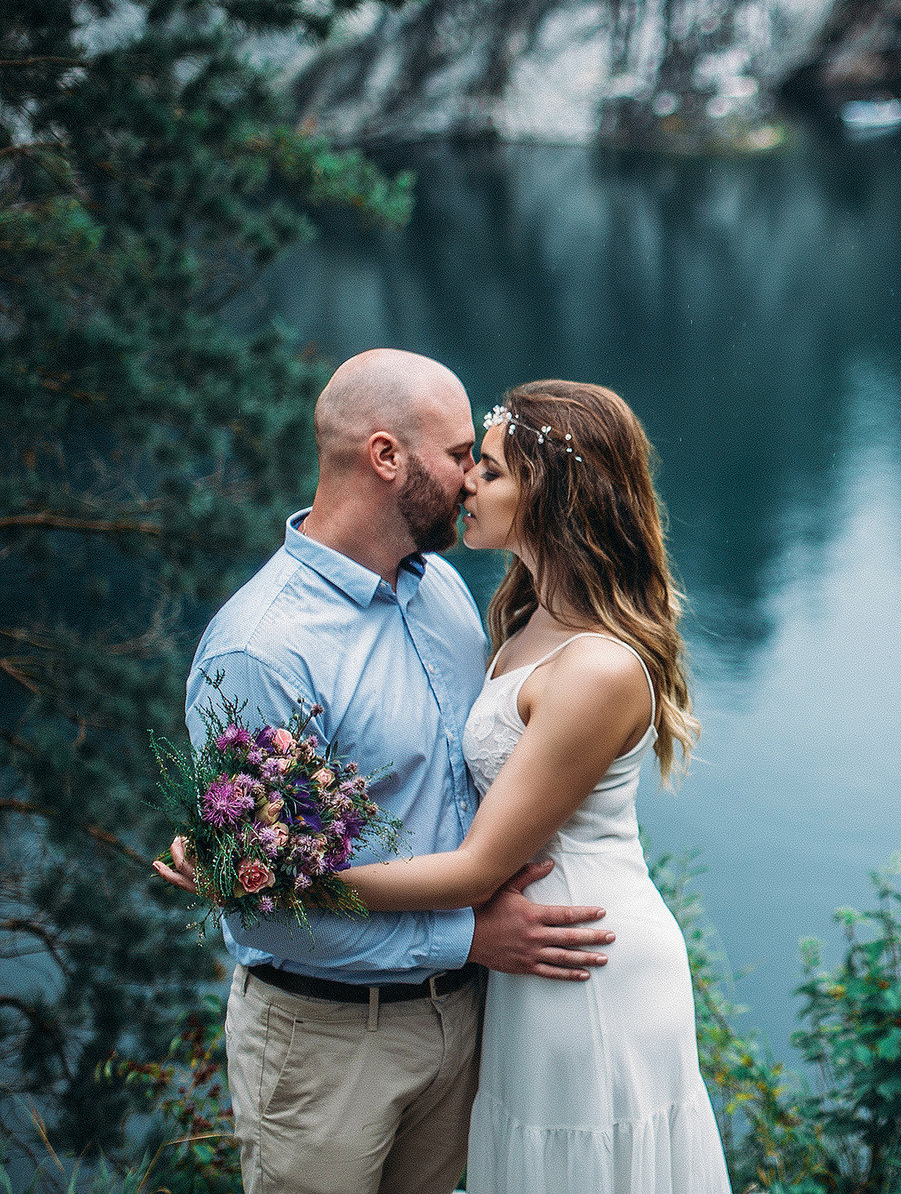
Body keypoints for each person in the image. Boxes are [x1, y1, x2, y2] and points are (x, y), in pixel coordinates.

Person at [156, 350, 618, 1194]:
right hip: (328, 1045)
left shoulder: (441, 590)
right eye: (458, 456)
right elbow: (263, 909)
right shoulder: (264, 648)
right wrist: (470, 935)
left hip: (475, 1018)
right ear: (384, 457)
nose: (473, 478)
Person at [329, 379, 730, 1193]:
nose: (467, 483)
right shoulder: (526, 616)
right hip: (531, 956)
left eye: (491, 470)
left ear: (548, 497)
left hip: (584, 963)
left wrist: (294, 885)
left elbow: (478, 869)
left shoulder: (598, 667)